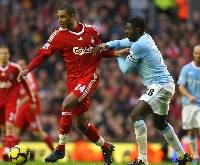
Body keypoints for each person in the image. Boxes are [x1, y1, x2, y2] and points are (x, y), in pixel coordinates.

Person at [17, 3, 128, 165]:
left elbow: (99, 51)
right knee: (81, 124)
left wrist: (117, 53)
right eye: (58, 17)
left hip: (90, 76)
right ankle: (106, 147)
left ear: (72, 16)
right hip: (73, 81)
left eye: (62, 17)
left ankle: (60, 149)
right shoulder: (58, 35)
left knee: (66, 104)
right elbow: (43, 54)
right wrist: (28, 69)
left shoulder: (91, 31)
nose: (59, 20)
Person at [92, 17, 192, 165]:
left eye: (129, 29)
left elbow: (125, 69)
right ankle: (182, 156)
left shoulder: (140, 45)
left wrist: (118, 54)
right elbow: (122, 42)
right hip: (166, 84)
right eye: (125, 28)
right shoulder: (145, 37)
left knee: (136, 115)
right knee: (160, 123)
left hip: (159, 85)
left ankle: (142, 160)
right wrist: (106, 44)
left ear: (138, 29)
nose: (126, 31)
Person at [0, 45, 34, 160]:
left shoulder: (15, 68)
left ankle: (8, 152)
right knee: (3, 129)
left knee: (9, 127)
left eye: (5, 53)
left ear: (9, 55)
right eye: (1, 53)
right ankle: (5, 150)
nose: (3, 55)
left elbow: (25, 84)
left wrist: (31, 99)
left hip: (11, 102)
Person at [14, 59, 54, 151]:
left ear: (25, 66)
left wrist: (20, 102)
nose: (20, 67)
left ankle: (54, 151)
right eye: (18, 65)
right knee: (15, 131)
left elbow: (33, 92)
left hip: (29, 108)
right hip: (21, 109)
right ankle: (10, 153)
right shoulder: (16, 77)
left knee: (38, 132)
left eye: (22, 65)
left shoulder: (29, 76)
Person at [177, 45, 200, 165]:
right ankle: (195, 156)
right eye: (196, 53)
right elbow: (180, 86)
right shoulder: (186, 69)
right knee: (192, 131)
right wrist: (189, 96)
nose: (198, 55)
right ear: (193, 54)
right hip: (189, 104)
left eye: (199, 53)